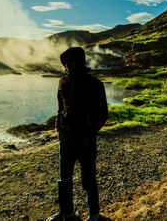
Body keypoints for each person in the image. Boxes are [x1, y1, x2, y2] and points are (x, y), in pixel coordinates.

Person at [48, 47, 108, 221]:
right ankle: (65, 212)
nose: (67, 65)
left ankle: (94, 214)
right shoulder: (63, 82)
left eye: (71, 61)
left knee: (88, 178)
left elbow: (102, 114)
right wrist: (57, 127)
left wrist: (88, 136)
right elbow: (60, 107)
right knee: (64, 178)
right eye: (65, 62)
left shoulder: (95, 84)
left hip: (85, 142)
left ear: (80, 62)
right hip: (65, 139)